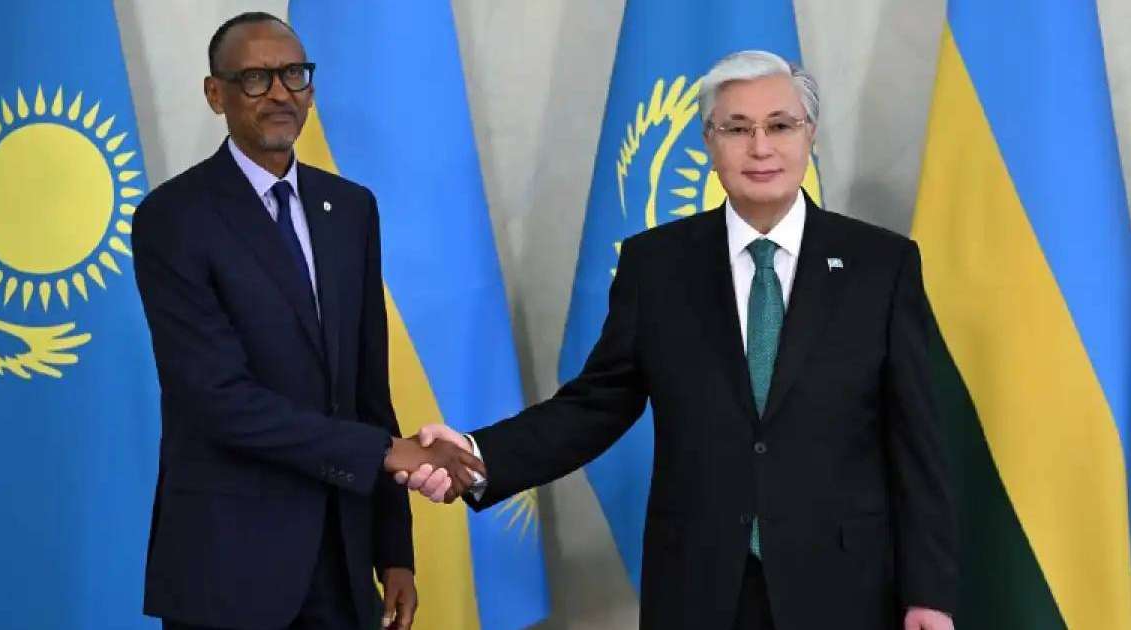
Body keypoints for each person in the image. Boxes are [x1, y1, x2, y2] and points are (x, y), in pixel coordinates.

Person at [403, 50, 958, 630]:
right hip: (700, 587)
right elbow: (596, 405)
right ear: (709, 144)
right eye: (737, 129)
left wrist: (929, 594)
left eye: (780, 126)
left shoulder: (880, 265)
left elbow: (916, 442)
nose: (761, 147)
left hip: (845, 588)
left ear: (809, 135)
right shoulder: (658, 265)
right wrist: (477, 455)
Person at [132, 12, 481, 630]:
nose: (280, 93)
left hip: (341, 563)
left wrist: (393, 551)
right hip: (231, 566)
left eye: (294, 74)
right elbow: (218, 400)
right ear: (217, 94)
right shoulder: (174, 218)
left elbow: (369, 389)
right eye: (256, 79)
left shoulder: (350, 209)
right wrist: (382, 453)